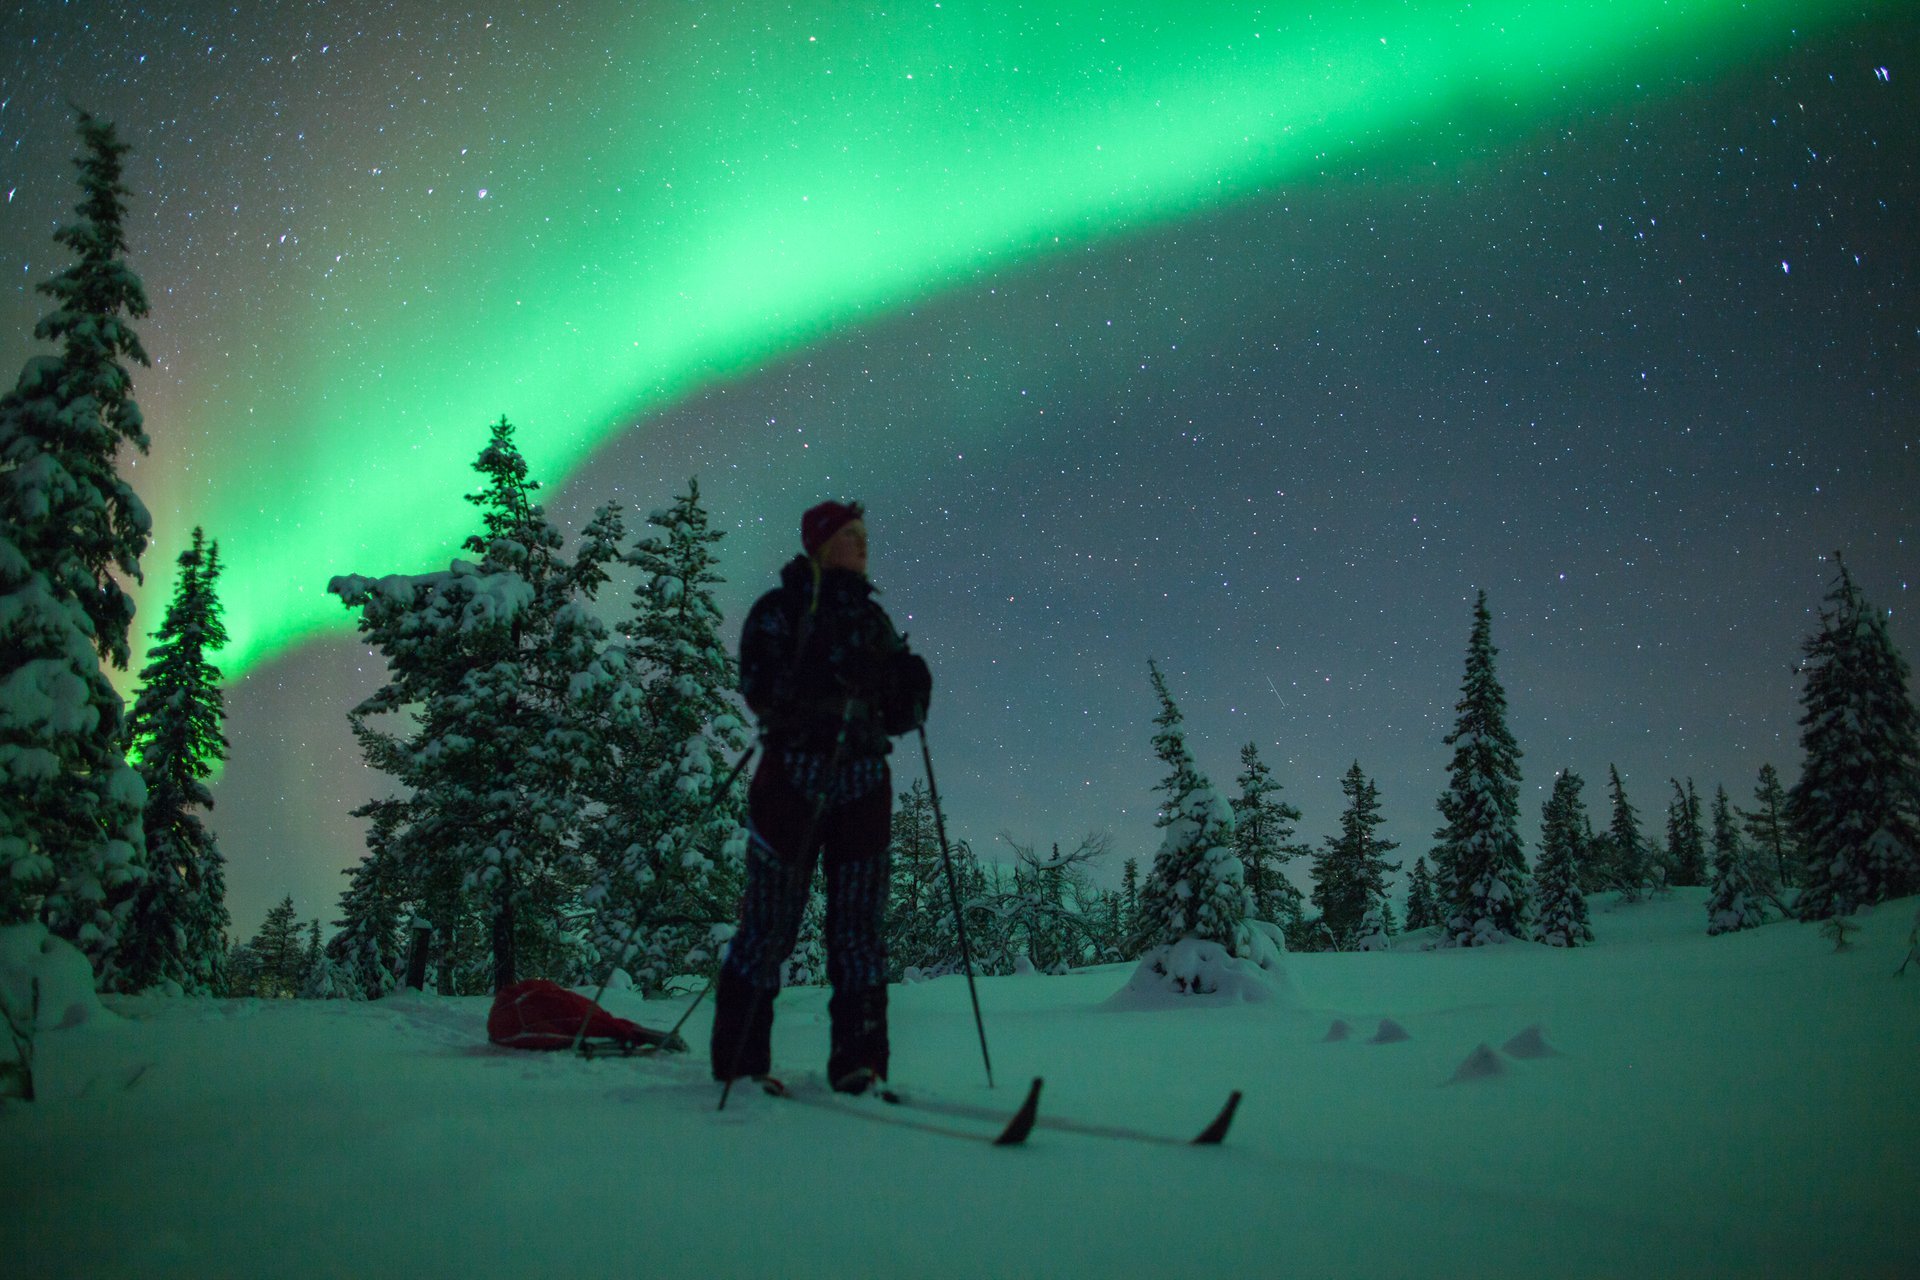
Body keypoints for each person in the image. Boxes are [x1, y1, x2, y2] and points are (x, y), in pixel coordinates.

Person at [710, 500, 932, 1094]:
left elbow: (892, 716)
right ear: (819, 543)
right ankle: (740, 1060)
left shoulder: (874, 621)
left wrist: (910, 693)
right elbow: (760, 687)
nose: (863, 544)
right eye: (851, 535)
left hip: (862, 783)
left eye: (865, 534)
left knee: (859, 927)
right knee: (769, 923)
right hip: (793, 779)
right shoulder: (781, 610)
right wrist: (825, 678)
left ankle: (860, 1064)